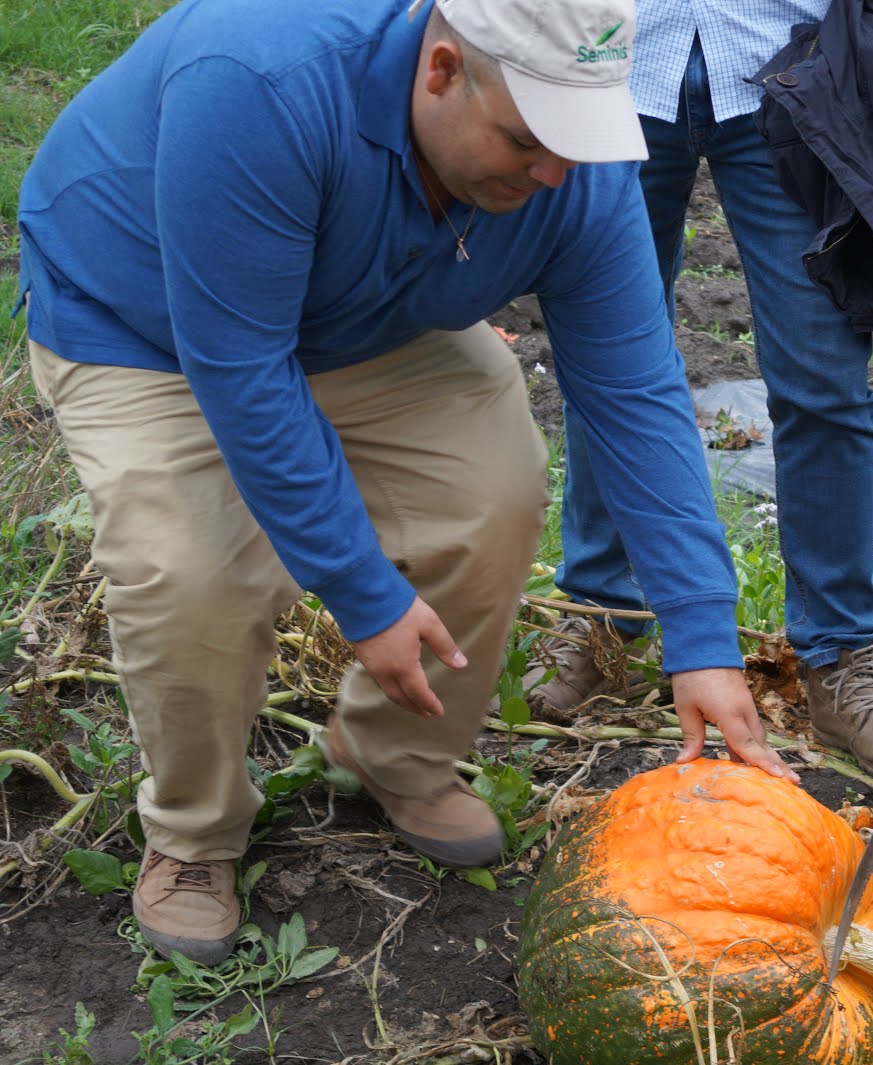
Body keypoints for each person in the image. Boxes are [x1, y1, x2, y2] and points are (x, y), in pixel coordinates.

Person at [16, 0, 795, 966]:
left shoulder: (575, 173)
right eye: (529, 139)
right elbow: (243, 367)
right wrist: (364, 591)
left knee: (498, 487)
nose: (555, 172)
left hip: (365, 317)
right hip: (154, 323)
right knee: (190, 570)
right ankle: (194, 834)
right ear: (439, 70)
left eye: (576, 141)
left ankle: (393, 752)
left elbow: (634, 391)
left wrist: (704, 636)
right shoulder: (261, 82)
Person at [525, 1, 873, 780]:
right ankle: (601, 616)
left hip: (787, 63)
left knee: (824, 379)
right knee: (602, 362)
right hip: (608, 57)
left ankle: (840, 653)